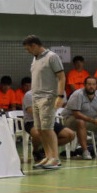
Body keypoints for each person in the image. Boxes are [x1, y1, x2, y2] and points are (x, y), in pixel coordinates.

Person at [23, 36, 67, 170]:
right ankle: (48, 157)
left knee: (48, 128)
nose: (27, 51)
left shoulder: (52, 57)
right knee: (40, 130)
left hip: (48, 98)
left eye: (28, 48)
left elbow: (61, 77)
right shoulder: (35, 58)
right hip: (35, 98)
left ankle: (55, 159)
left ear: (35, 45)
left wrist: (60, 96)